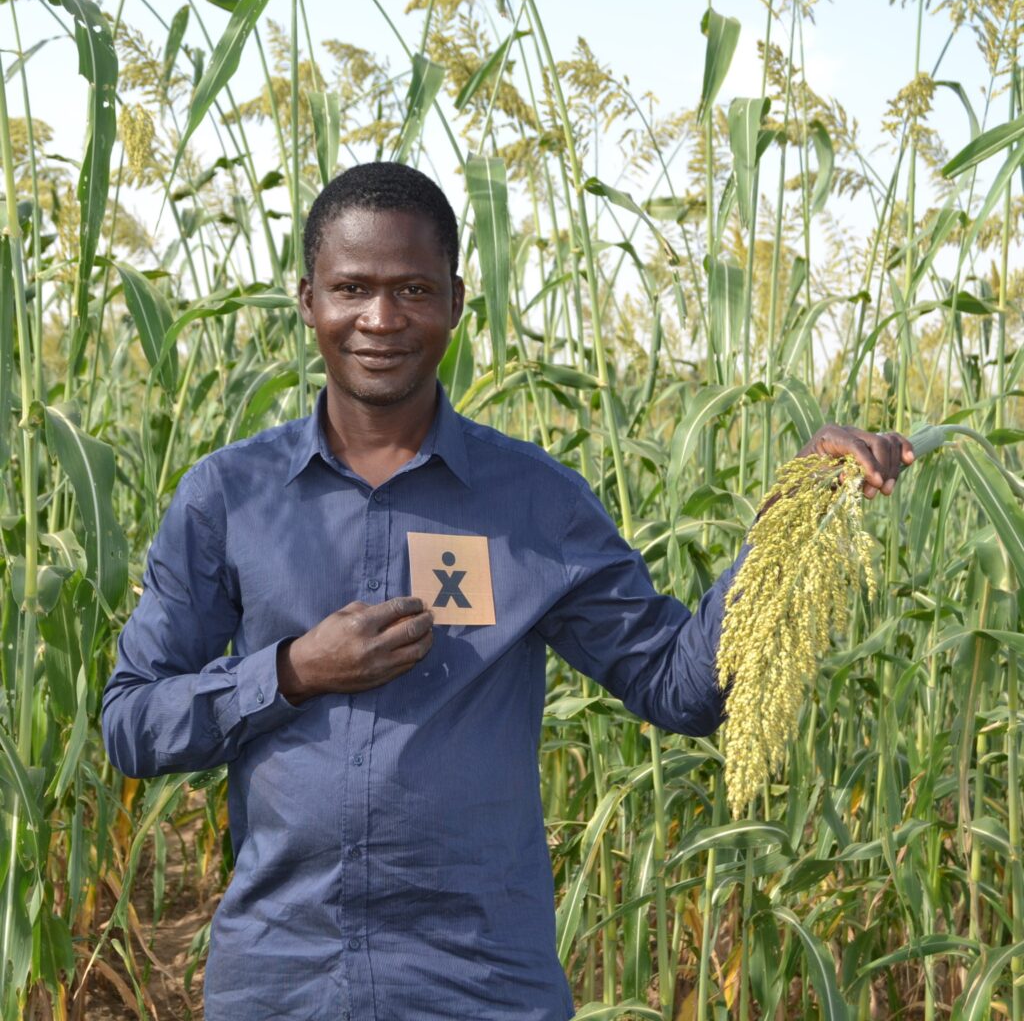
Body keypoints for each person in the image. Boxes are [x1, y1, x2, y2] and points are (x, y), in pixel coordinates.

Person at [101, 161, 913, 1021]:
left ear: (457, 301)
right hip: (283, 981)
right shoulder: (229, 497)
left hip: (480, 985)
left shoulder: (534, 503)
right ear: (309, 300)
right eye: (352, 289)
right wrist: (295, 670)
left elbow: (680, 686)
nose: (381, 318)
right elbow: (131, 722)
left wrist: (791, 520)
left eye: (414, 289)